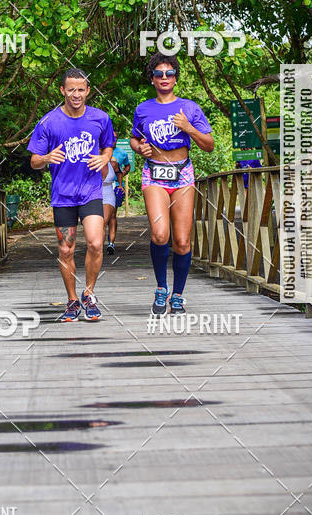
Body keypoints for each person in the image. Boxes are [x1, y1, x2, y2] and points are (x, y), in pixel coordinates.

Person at [27, 68, 115, 322]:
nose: (76, 94)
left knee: (96, 243)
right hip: (63, 195)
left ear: (88, 91)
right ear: (63, 91)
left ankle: (89, 293)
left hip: (90, 192)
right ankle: (72, 300)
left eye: (81, 89)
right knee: (66, 249)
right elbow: (34, 161)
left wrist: (105, 157)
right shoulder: (48, 122)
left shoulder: (100, 118)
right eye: (71, 89)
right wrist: (45, 158)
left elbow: (108, 144)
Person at [130, 53, 214, 315]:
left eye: (169, 73)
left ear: (176, 78)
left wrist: (188, 128)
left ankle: (178, 294)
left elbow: (209, 146)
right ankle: (161, 287)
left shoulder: (189, 108)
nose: (164, 78)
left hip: (182, 174)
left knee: (182, 240)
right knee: (159, 234)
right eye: (159, 73)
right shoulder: (143, 109)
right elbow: (135, 138)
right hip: (154, 173)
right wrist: (139, 148)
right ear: (152, 79)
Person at [104, 131, 131, 255]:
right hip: (100, 185)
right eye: (111, 137)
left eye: (116, 138)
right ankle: (99, 242)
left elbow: (127, 166)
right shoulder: (101, 150)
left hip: (114, 185)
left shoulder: (122, 153)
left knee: (112, 215)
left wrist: (122, 175)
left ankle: (111, 243)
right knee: (102, 217)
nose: (113, 140)